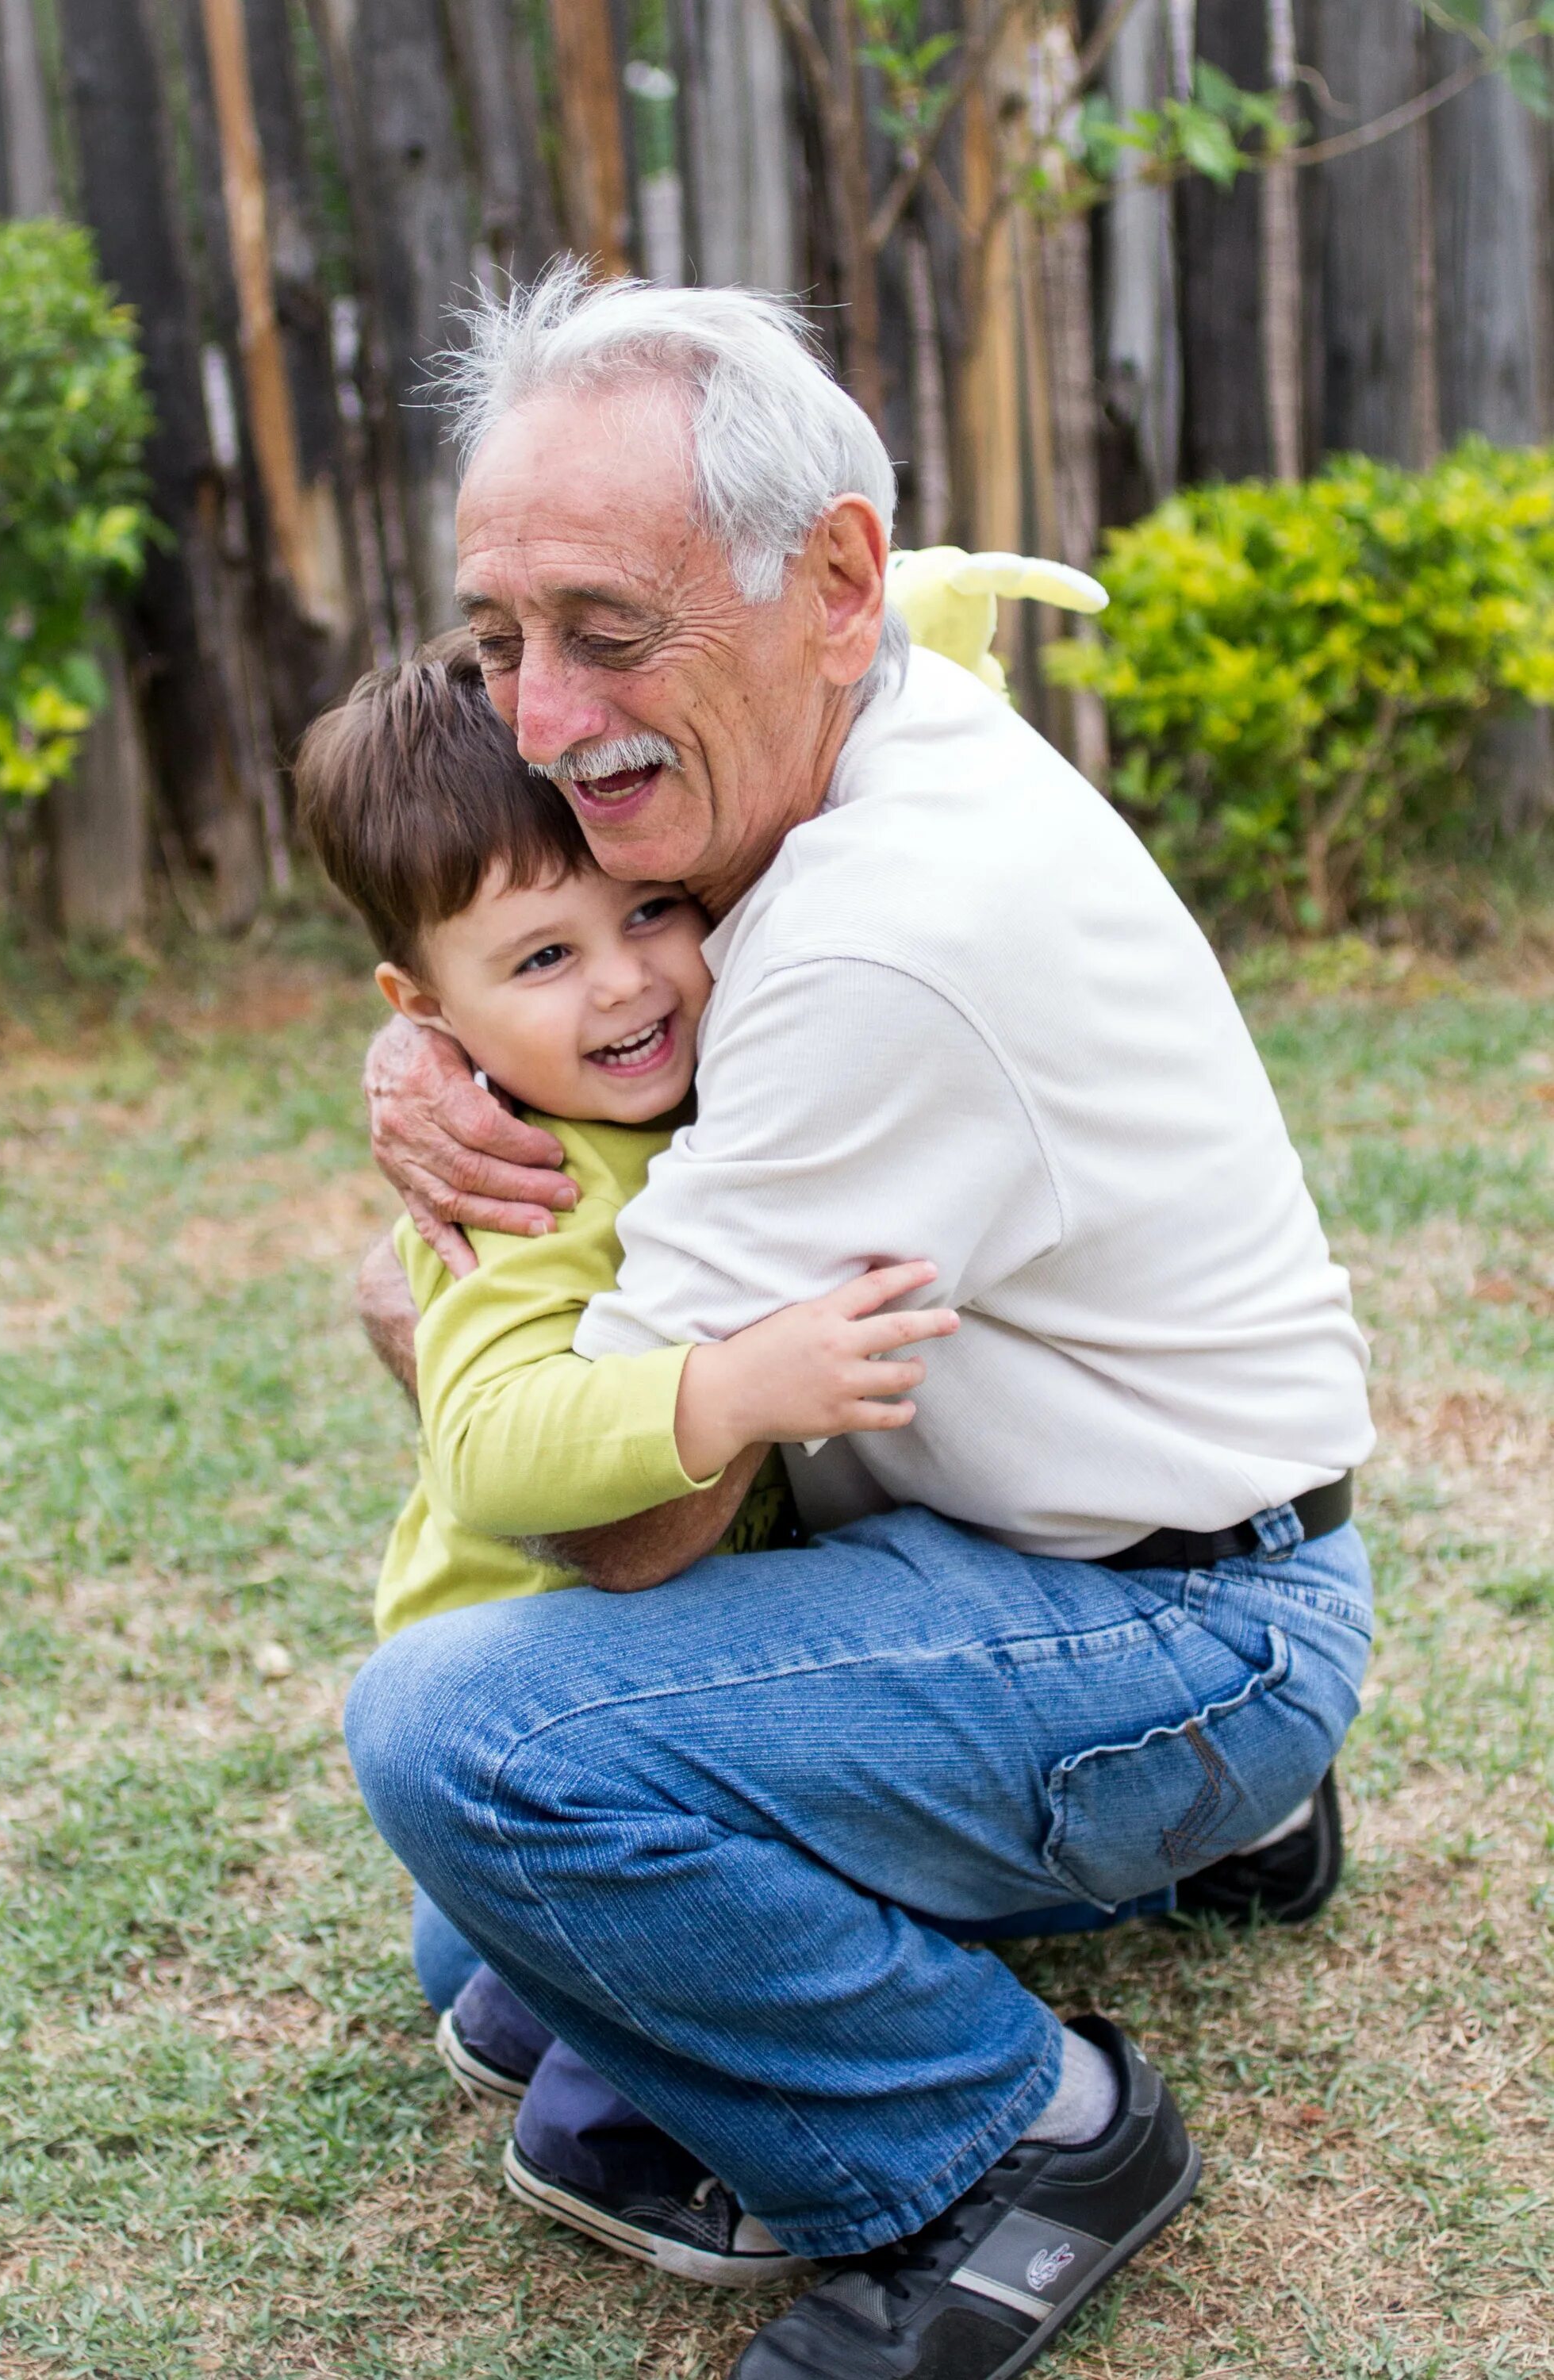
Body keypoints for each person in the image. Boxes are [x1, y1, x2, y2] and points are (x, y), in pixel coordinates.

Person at [345, 266, 1375, 2380]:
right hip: (1064, 1542)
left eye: (604, 635)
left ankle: (1007, 2151)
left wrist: (433, 1290)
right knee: (489, 1944)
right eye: (497, 640)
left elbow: (630, 1532)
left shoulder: (875, 939)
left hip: (1178, 1623)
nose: (540, 722)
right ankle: (1200, 1844)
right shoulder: (846, 735)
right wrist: (444, 1066)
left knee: (463, 1745)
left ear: (833, 580)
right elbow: (568, 961)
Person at [297, 633, 958, 2277]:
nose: (624, 985)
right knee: (651, 1914)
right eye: (542, 960)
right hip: (530, 1688)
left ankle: (544, 1986)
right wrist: (734, 1390)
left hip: (604, 1682)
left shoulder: (677, 1099)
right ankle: (623, 2119)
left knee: (498, 1963)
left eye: (650, 913)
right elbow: (499, 1460)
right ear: (425, 1018)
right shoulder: (521, 1188)